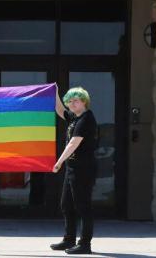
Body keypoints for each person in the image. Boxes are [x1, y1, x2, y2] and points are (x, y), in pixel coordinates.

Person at [50, 86, 98, 255]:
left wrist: (59, 161)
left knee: (83, 206)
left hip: (83, 169)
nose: (71, 104)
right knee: (66, 204)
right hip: (72, 169)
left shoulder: (86, 119)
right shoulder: (74, 118)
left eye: (75, 101)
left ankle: (85, 244)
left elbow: (74, 143)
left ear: (84, 102)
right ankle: (69, 239)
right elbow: (60, 109)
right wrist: (54, 92)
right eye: (70, 101)